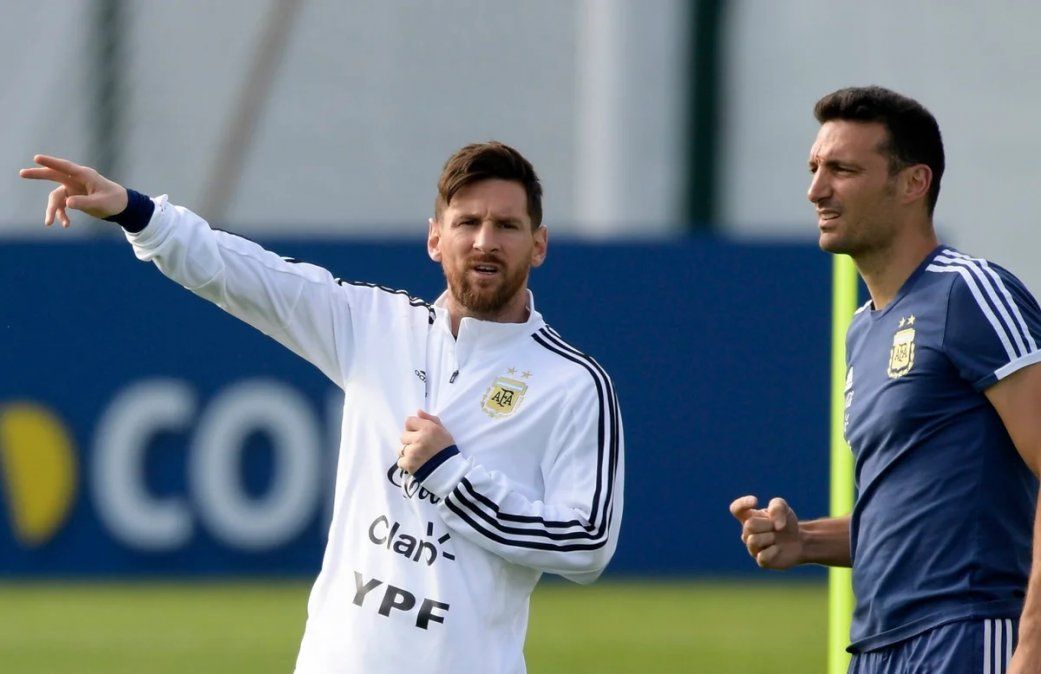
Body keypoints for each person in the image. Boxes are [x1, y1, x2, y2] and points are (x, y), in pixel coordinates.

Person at [20, 142, 624, 674]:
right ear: (435, 238)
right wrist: (134, 211)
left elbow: (588, 544)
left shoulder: (572, 384)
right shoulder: (377, 325)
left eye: (507, 225)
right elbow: (248, 276)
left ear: (538, 245)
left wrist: (452, 478)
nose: (485, 241)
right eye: (467, 222)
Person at [730, 86, 1041, 674]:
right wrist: (807, 542)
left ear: (913, 183)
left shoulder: (969, 292)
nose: (816, 190)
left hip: (969, 634)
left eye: (843, 170)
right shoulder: (863, 329)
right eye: (814, 168)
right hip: (878, 648)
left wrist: (1032, 647)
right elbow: (922, 518)